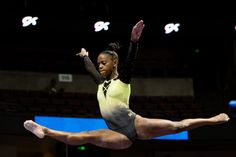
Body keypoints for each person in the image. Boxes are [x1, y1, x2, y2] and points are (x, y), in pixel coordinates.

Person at [23, 20, 229, 150]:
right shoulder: (100, 83)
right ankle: (44, 131)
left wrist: (134, 41)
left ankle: (213, 119)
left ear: (115, 63)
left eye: (104, 63)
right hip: (117, 133)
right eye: (99, 64)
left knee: (178, 126)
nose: (100, 66)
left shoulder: (122, 80)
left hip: (135, 125)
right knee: (84, 136)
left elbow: (131, 61)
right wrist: (85, 57)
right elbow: (90, 71)